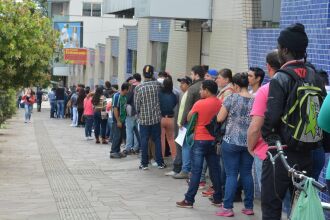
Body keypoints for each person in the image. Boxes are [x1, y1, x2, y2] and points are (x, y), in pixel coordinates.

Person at [261, 23, 327, 220]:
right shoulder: (315, 76)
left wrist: (267, 136)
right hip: (308, 152)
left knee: (272, 205)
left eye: (279, 47)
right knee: (300, 208)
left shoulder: (280, 78)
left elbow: (272, 117)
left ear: (285, 50)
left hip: (280, 154)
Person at [176, 80, 222, 208]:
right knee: (215, 170)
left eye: (201, 89)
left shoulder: (199, 103)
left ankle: (189, 200)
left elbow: (190, 118)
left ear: (207, 90)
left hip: (200, 139)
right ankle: (218, 198)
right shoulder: (220, 103)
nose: (200, 91)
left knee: (196, 171)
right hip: (213, 140)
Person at [216, 72, 255, 217]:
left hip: (231, 141)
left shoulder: (231, 98)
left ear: (236, 85)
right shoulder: (255, 100)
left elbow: (220, 118)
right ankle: (249, 207)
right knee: (246, 173)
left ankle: (227, 207)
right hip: (249, 142)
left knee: (231, 174)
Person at [247, 50, 281, 189]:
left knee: (270, 202)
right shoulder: (299, 86)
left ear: (268, 67)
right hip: (296, 152)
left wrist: (250, 147)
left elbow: (255, 128)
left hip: (267, 151)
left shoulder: (266, 90)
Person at [173, 65, 205, 179]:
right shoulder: (206, 85)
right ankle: (197, 172)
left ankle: (186, 169)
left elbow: (186, 107)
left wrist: (181, 121)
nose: (191, 76)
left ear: (196, 75)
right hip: (204, 122)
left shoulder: (193, 88)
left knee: (186, 145)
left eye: (192, 74)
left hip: (191, 122)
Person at [134, 65, 166, 170]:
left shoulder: (139, 88)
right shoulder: (158, 85)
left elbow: (136, 105)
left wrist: (138, 113)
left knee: (144, 140)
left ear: (143, 74)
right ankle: (160, 162)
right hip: (156, 118)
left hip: (143, 119)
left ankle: (144, 163)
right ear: (153, 74)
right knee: (157, 140)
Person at [165, 76, 192, 176]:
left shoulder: (189, 94)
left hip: (184, 124)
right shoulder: (180, 94)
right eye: (180, 83)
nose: (180, 85)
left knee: (184, 146)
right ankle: (178, 167)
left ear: (189, 85)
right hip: (179, 124)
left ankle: (183, 168)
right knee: (179, 145)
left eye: (183, 83)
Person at [159, 76, 178, 159]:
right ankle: (175, 157)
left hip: (161, 118)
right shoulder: (174, 95)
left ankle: (161, 158)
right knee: (171, 139)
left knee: (161, 139)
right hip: (171, 118)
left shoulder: (159, 94)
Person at [110, 83, 131, 158]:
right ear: (125, 89)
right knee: (117, 136)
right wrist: (118, 121)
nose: (129, 90)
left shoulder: (125, 97)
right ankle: (113, 152)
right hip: (117, 121)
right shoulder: (117, 96)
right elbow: (115, 109)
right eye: (129, 89)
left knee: (120, 136)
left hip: (123, 120)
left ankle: (117, 151)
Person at [124, 74, 141, 154]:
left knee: (129, 131)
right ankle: (136, 148)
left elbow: (127, 100)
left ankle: (128, 148)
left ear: (134, 79)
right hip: (140, 113)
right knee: (137, 131)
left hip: (131, 113)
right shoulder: (142, 86)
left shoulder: (131, 88)